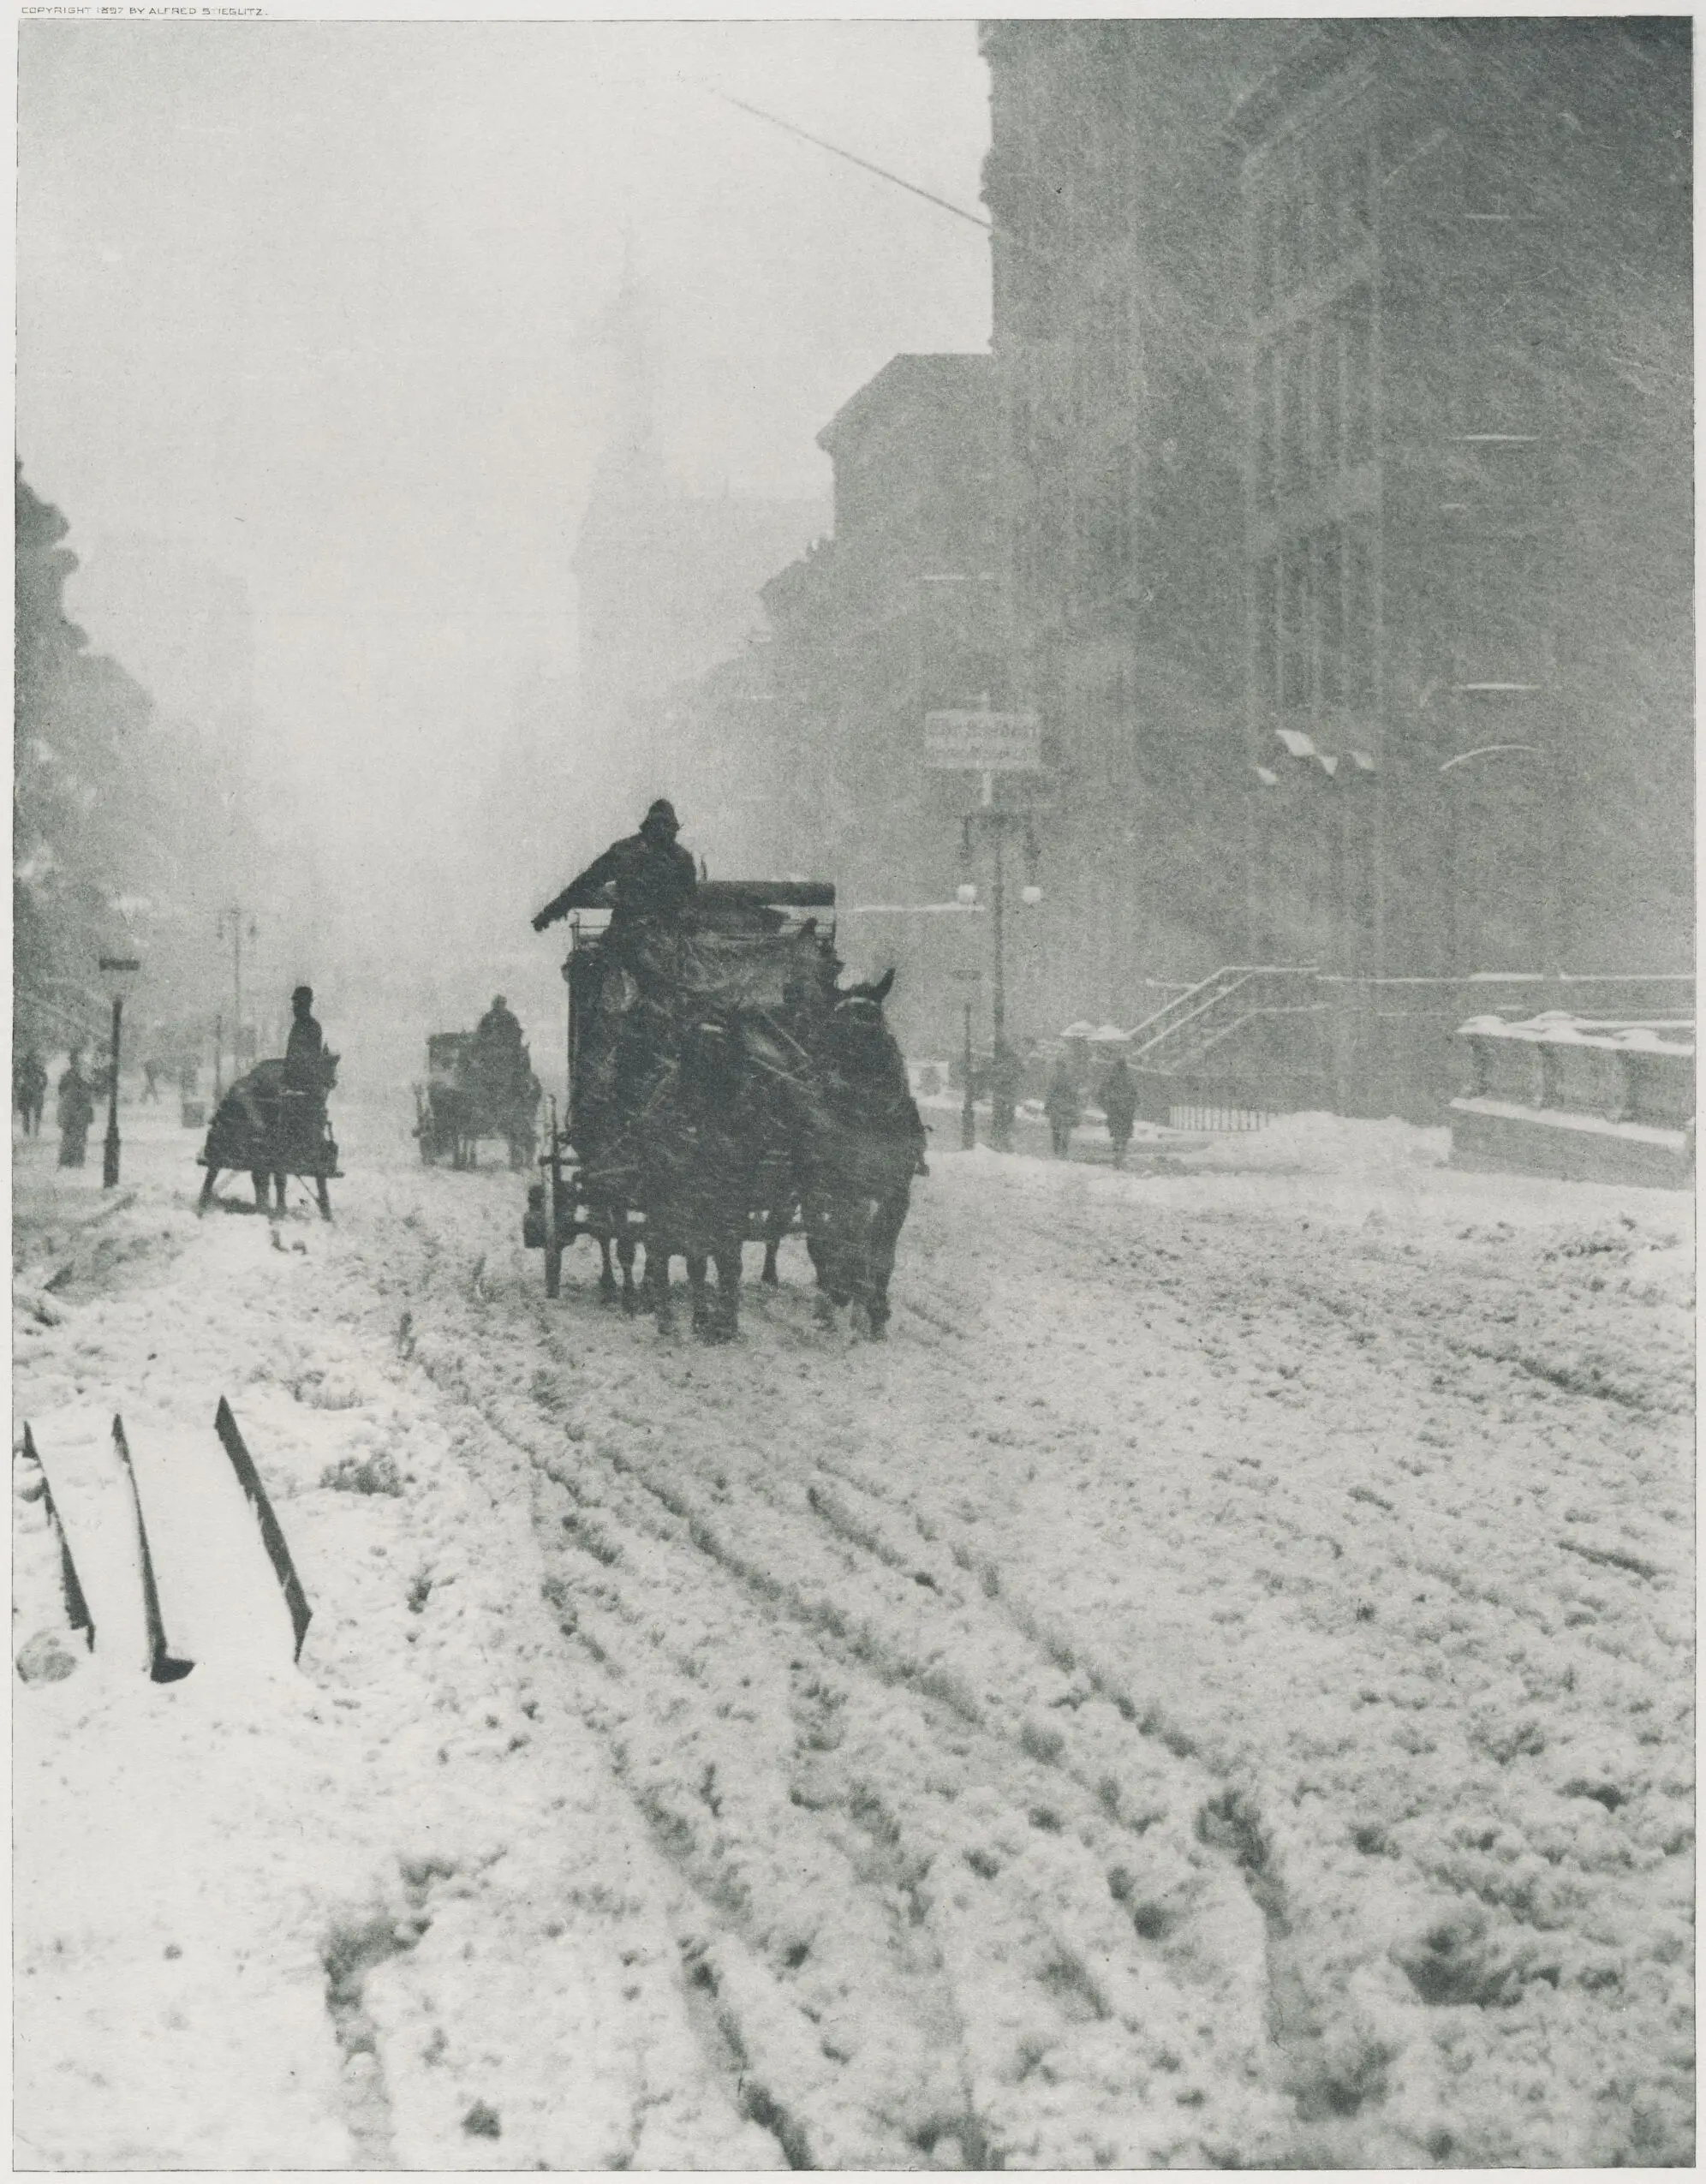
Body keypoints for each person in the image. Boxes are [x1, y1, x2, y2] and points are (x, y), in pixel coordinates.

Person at [531, 799, 697, 946]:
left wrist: (547, 916)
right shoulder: (627, 851)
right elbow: (585, 883)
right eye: (660, 825)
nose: (663, 830)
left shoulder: (677, 857)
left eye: (666, 825)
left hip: (651, 938)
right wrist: (547, 915)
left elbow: (583, 884)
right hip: (638, 937)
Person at [57, 1049, 95, 1168]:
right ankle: (74, 1161)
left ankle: (70, 1161)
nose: (79, 1063)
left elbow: (61, 1092)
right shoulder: (76, 1076)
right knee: (75, 1136)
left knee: (73, 1136)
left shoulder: (71, 1076)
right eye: (78, 1061)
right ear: (74, 1062)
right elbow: (86, 1093)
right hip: (75, 1110)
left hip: (75, 1111)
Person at [1100, 1053, 1139, 1170]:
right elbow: (1135, 1096)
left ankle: (1117, 1155)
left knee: (1117, 1133)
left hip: (1115, 1110)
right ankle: (1121, 1155)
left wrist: (1106, 1106)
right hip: (1126, 1111)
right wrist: (1133, 1106)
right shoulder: (1129, 1080)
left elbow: (1102, 1093)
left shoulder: (1111, 1079)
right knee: (1125, 1134)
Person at [987, 1041, 1023, 1153]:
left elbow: (993, 1077)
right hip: (1009, 1096)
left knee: (999, 1117)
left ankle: (998, 1139)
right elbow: (1020, 1075)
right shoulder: (1014, 1064)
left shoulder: (1001, 1064)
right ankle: (1004, 1140)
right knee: (1006, 1118)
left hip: (1002, 1095)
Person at [1044, 1054, 1082, 1159]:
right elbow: (1074, 1094)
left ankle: (1057, 1149)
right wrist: (1074, 1106)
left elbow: (1050, 1093)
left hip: (1057, 1106)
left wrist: (1047, 1106)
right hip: (1067, 1107)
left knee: (1056, 1128)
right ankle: (1064, 1149)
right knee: (1066, 1129)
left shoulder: (1055, 1078)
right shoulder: (1070, 1078)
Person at [15, 1047, 47, 1137]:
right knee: (28, 1114)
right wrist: (41, 1088)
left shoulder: (29, 1067)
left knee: (30, 1114)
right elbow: (44, 1078)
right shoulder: (29, 1067)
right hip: (30, 1092)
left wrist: (41, 1087)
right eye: (33, 1057)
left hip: (31, 1092)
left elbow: (44, 1078)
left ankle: (31, 1132)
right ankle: (29, 1133)